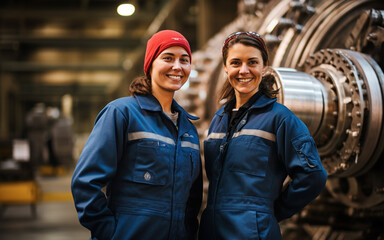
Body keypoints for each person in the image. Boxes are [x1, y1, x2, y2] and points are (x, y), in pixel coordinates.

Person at [71, 30, 202, 240]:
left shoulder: (188, 129)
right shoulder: (122, 113)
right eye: (168, 58)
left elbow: (192, 200)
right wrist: (110, 233)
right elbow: (85, 183)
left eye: (184, 60)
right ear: (150, 64)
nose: (177, 66)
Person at [198, 31, 328, 239]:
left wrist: (269, 212)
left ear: (264, 67)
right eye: (235, 63)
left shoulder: (280, 119)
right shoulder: (218, 120)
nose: (244, 70)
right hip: (213, 230)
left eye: (252, 62)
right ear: (225, 67)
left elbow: (313, 176)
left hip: (253, 233)